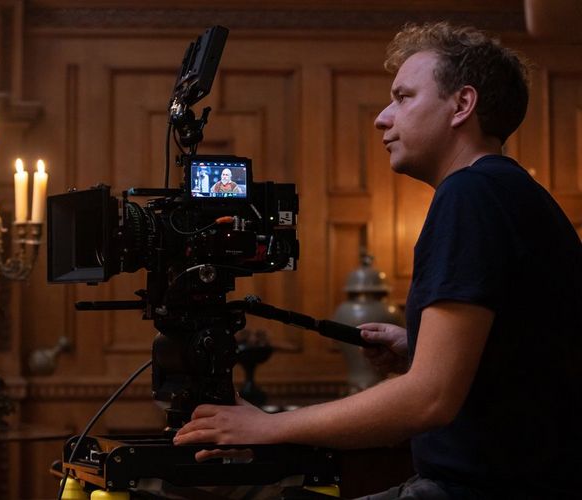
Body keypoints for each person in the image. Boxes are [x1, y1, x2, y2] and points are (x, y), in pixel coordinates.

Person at [174, 21, 582, 499]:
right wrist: (418, 347)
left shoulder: (472, 194)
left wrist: (268, 426)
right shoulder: (510, 191)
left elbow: (429, 399)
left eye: (404, 97)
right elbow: (532, 355)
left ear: (462, 105)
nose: (382, 118)